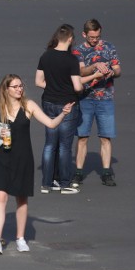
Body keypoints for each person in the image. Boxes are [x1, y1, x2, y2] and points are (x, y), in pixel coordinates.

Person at [0, 74, 74, 254]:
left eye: (20, 86)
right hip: (2, 157)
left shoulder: (28, 105)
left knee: (21, 199)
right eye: (15, 87)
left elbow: (51, 123)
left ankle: (20, 238)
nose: (19, 89)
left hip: (23, 158)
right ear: (6, 89)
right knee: (0, 196)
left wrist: (63, 113)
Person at [35, 24, 102, 194]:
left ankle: (47, 183)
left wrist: (53, 87)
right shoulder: (71, 59)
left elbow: (38, 82)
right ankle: (64, 183)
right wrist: (94, 76)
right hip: (67, 104)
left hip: (48, 102)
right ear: (71, 39)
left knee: (50, 144)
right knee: (65, 145)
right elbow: (77, 87)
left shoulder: (46, 56)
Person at [71, 19, 122, 188]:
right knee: (82, 137)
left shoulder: (109, 47)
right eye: (91, 37)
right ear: (84, 34)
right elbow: (80, 71)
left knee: (106, 137)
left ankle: (106, 173)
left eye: (97, 36)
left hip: (105, 98)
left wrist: (110, 73)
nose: (94, 40)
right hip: (85, 98)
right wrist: (95, 66)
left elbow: (118, 70)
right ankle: (78, 173)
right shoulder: (78, 50)